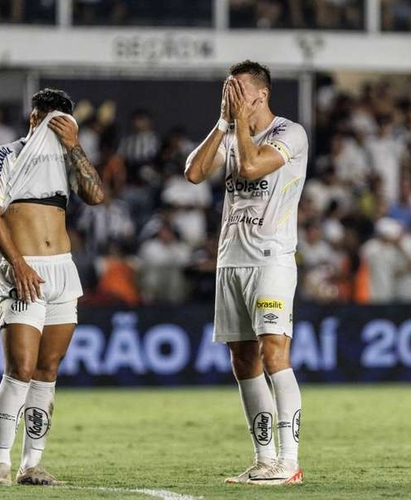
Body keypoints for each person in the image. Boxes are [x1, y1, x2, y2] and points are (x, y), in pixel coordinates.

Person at [185, 60, 307, 485]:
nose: (229, 95)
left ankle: (289, 461)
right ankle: (264, 458)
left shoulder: (290, 133)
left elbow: (253, 167)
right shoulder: (231, 132)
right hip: (230, 259)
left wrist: (236, 124)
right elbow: (194, 173)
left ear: (261, 94)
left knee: (274, 351)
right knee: (243, 360)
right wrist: (223, 122)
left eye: (236, 89)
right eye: (226, 89)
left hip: (271, 259)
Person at [0, 88, 104, 486]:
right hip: (24, 271)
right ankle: (0, 463)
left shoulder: (66, 162)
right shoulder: (4, 155)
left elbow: (96, 195)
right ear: (34, 119)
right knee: (20, 369)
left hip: (62, 271)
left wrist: (75, 146)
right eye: (48, 121)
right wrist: (18, 263)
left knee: (47, 371)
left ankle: (32, 464)